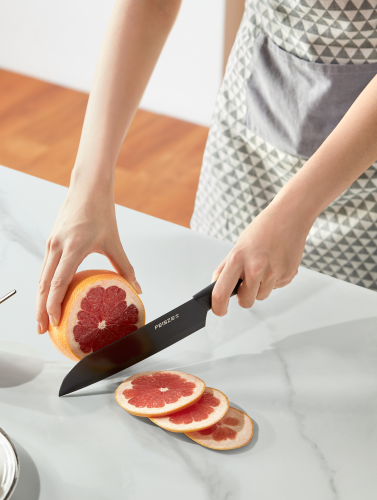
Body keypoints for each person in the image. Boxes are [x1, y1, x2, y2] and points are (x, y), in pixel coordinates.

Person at [36, 0, 377, 334]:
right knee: (222, 325)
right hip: (247, 132)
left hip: (366, 174)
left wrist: (297, 209)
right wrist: (87, 184)